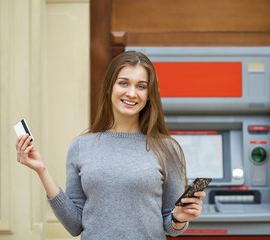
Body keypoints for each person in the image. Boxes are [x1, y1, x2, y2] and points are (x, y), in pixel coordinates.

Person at [15, 51, 206, 239]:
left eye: (141, 86)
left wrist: (179, 218)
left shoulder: (168, 149)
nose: (131, 93)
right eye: (123, 83)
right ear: (109, 88)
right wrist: (42, 170)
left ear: (149, 94)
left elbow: (170, 227)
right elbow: (74, 225)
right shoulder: (81, 147)